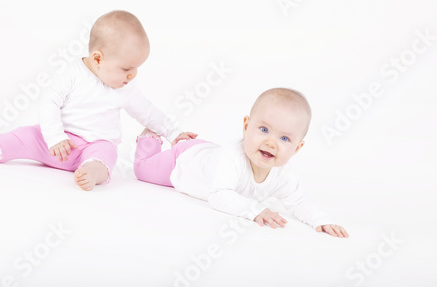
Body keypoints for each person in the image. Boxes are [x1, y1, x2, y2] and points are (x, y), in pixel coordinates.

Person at [0, 10, 196, 191]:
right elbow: (49, 104)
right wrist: (55, 137)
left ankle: (92, 171)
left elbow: (148, 112)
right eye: (127, 68)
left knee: (107, 152)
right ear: (97, 59)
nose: (133, 75)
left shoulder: (125, 87)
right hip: (56, 143)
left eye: (137, 69)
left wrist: (174, 133)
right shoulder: (72, 74)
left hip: (93, 146)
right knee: (23, 136)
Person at [134, 88, 349, 237]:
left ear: (297, 148)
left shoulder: (285, 175)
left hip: (209, 155)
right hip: (183, 161)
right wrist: (254, 210)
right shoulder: (232, 158)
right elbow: (218, 195)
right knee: (142, 170)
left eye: (284, 138)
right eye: (264, 129)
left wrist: (321, 220)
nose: (270, 142)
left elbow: (299, 201)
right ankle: (150, 136)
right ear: (246, 126)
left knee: (213, 159)